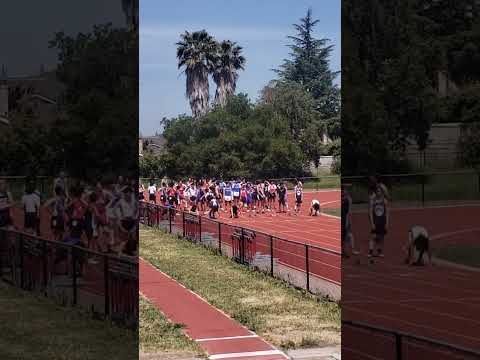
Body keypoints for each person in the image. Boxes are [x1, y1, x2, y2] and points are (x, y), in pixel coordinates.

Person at [369, 185, 389, 259]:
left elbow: (387, 212)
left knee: (381, 237)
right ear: (376, 192)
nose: (378, 193)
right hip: (375, 221)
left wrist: (387, 223)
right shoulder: (373, 201)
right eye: (377, 191)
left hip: (382, 221)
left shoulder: (384, 201)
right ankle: (371, 251)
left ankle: (379, 251)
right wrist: (372, 223)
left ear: (382, 192)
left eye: (380, 191)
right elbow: (370, 212)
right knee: (373, 237)